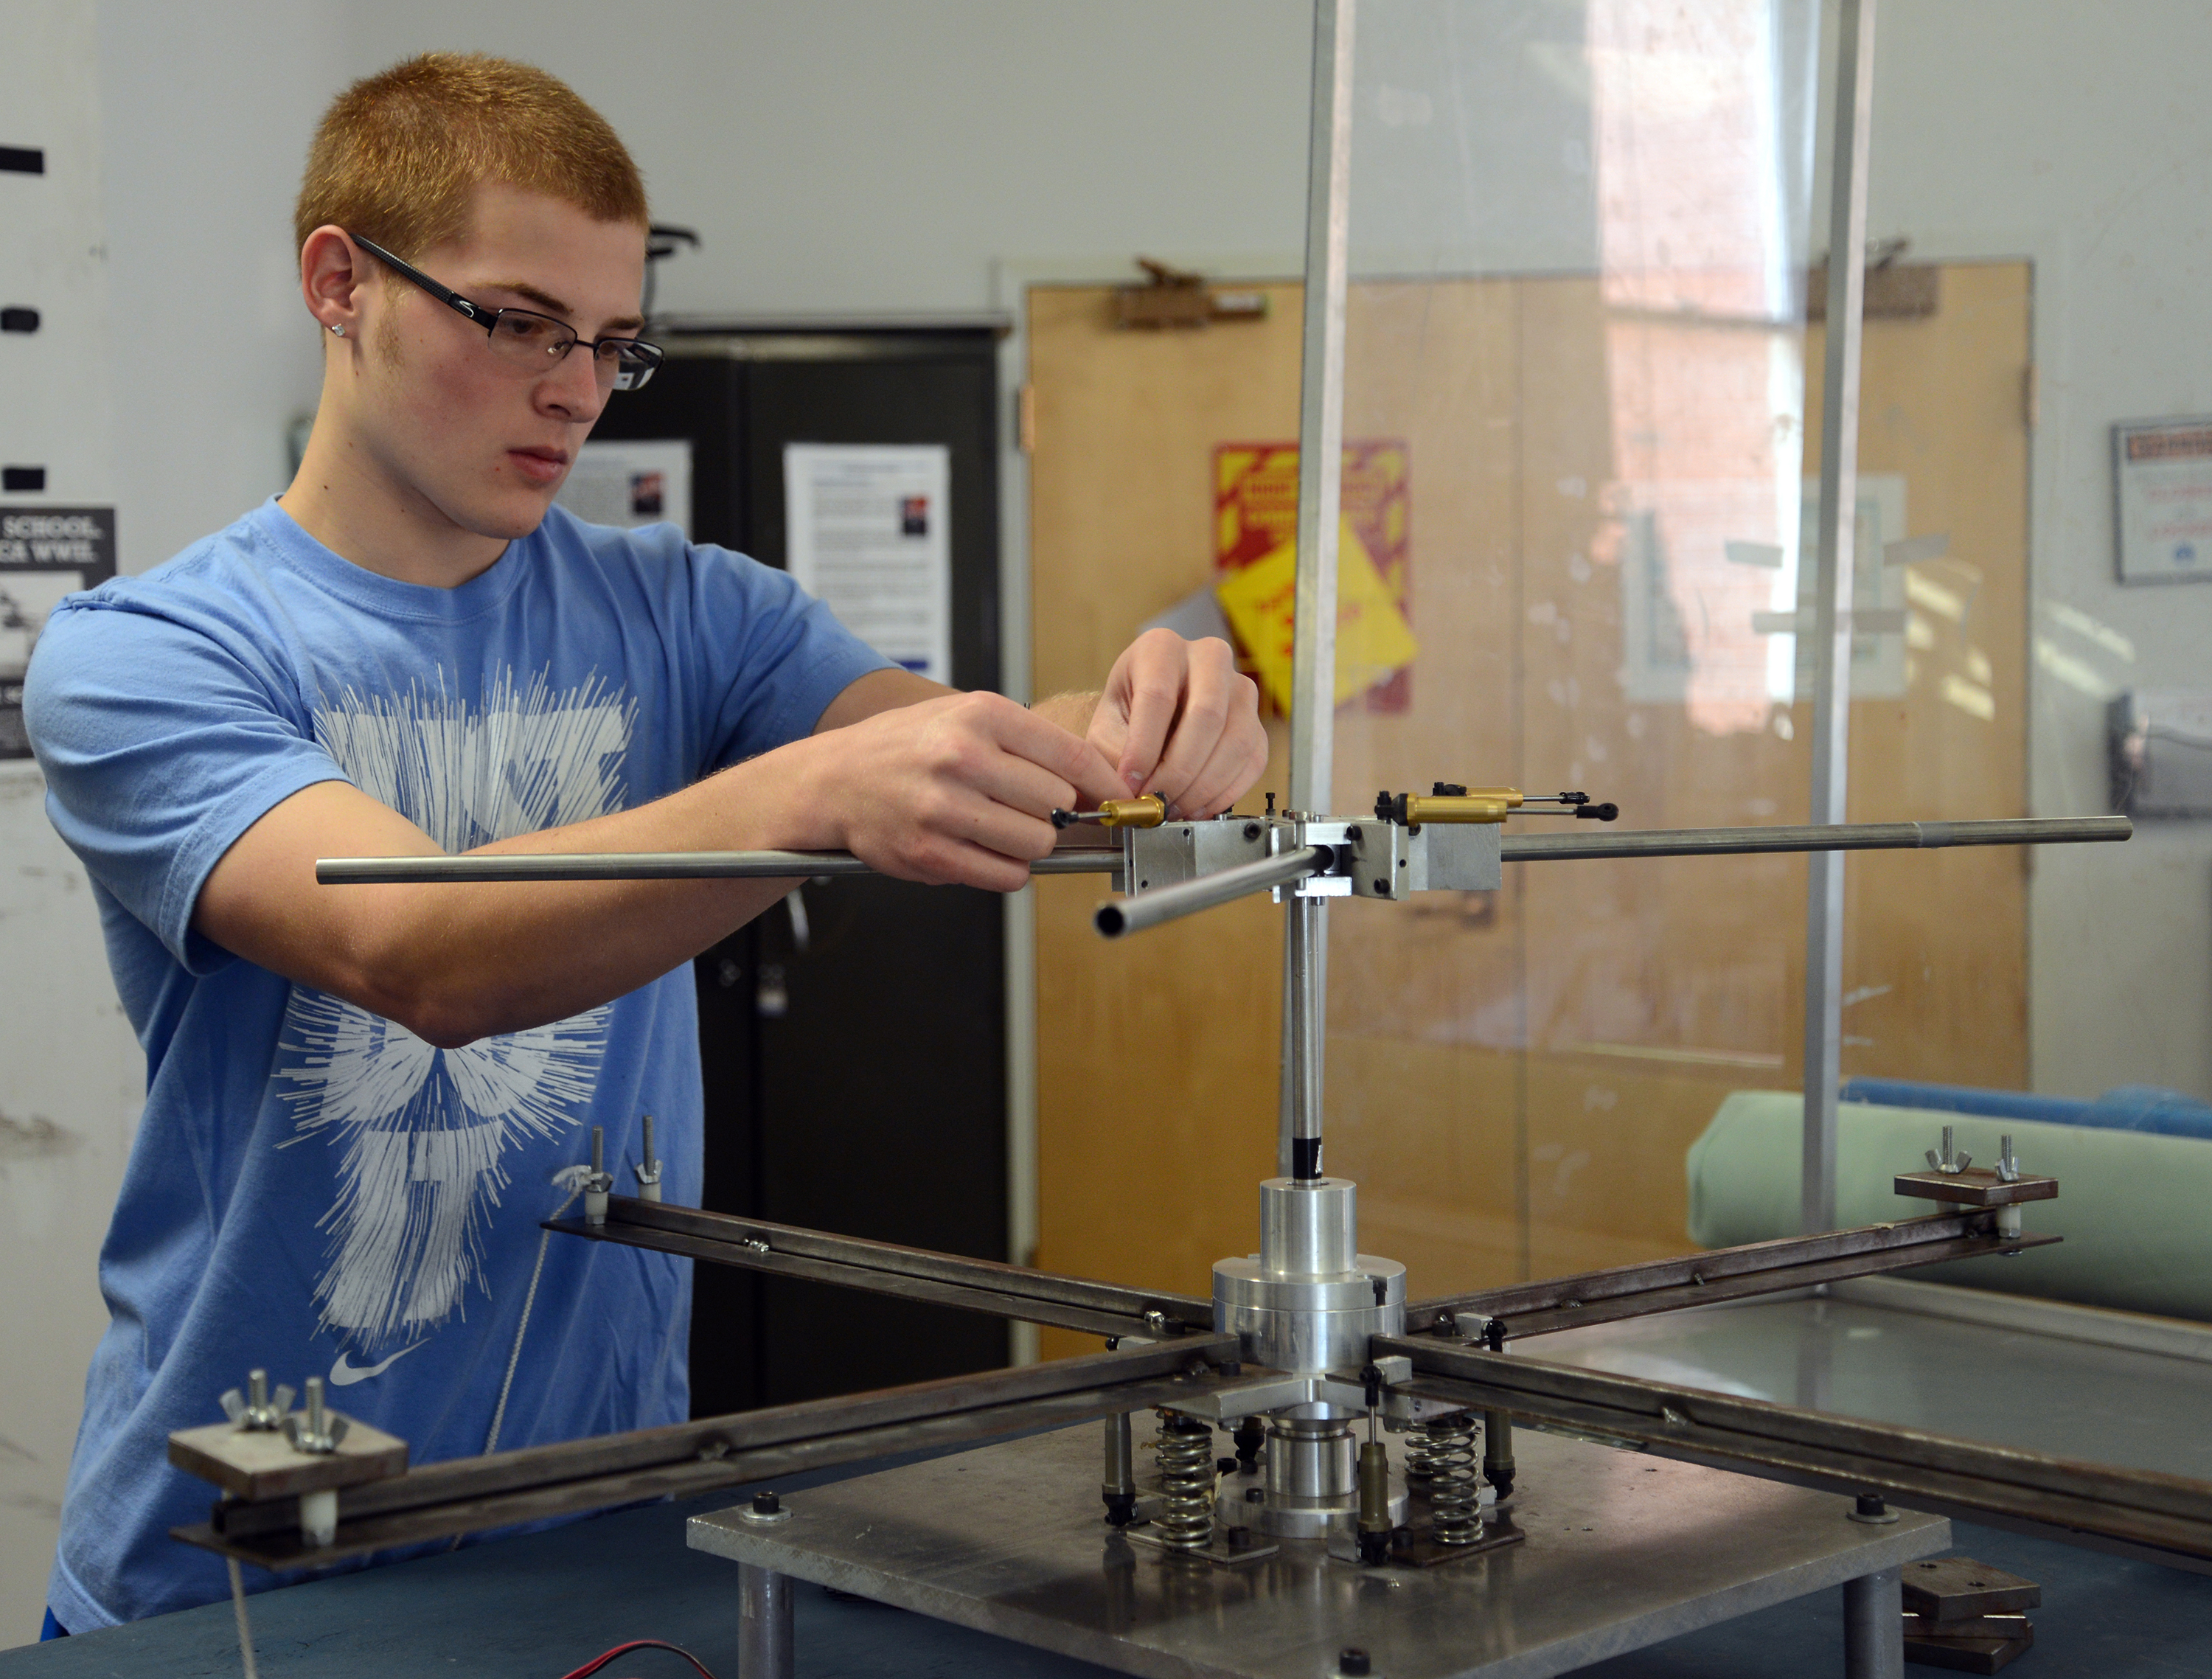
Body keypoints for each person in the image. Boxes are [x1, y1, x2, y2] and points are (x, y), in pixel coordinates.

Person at [25, 52, 1265, 1633]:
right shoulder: (144, 654)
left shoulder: (693, 609)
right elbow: (412, 948)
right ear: (340, 282)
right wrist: (812, 796)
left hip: (597, 1533)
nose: (577, 388)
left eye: (613, 343)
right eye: (519, 320)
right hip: (237, 1557)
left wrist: (1147, 726)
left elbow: (958, 739)